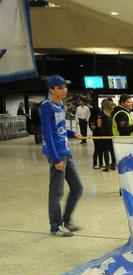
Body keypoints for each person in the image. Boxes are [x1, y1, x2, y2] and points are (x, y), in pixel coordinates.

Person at [40, 75, 85, 237]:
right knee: (56, 192)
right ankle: (55, 226)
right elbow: (47, 134)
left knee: (78, 188)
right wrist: (56, 158)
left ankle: (66, 220)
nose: (64, 90)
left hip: (66, 151)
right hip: (57, 155)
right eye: (60, 87)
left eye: (65, 87)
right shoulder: (46, 106)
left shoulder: (59, 105)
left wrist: (72, 133)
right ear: (51, 89)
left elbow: (59, 129)